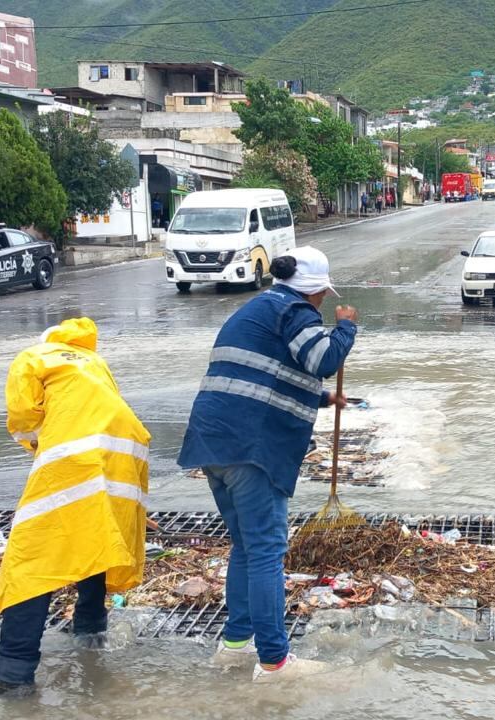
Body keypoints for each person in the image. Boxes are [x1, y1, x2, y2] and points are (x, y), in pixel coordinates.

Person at [178, 246, 357, 683]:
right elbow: (323, 359)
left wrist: (322, 398)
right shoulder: (296, 311)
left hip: (213, 444)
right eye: (322, 294)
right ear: (312, 289)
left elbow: (264, 372)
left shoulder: (258, 308)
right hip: (252, 449)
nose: (323, 300)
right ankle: (274, 660)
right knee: (266, 553)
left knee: (246, 545)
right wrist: (346, 326)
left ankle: (236, 644)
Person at [0, 318, 152, 698]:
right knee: (94, 538)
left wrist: (37, 446)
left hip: (77, 457)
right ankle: (90, 629)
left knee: (30, 560)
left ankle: (13, 674)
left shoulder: (33, 357)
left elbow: (23, 416)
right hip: (126, 454)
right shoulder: (92, 361)